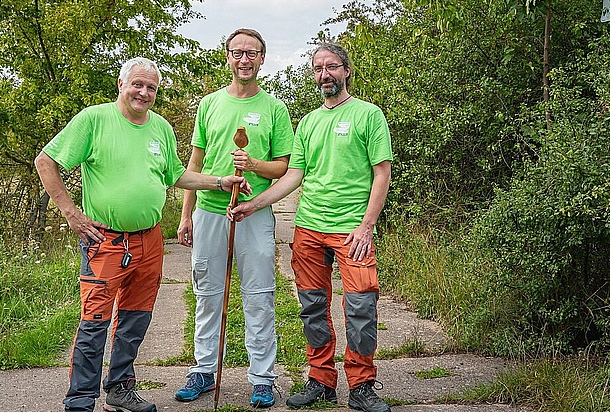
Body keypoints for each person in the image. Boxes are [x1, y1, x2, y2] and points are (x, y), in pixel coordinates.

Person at [34, 57, 250, 412]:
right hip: (104, 240)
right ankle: (80, 401)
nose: (144, 92)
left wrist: (219, 182)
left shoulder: (161, 128)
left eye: (151, 87)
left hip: (149, 241)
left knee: (135, 319)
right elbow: (47, 161)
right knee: (94, 323)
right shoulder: (94, 119)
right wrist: (70, 213)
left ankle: (120, 390)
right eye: (137, 84)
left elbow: (176, 175)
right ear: (121, 84)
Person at [230, 42, 393, 412]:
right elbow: (294, 176)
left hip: (353, 230)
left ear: (346, 70)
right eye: (318, 68)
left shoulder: (369, 115)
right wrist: (251, 205)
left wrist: (367, 226)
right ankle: (321, 379)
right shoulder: (308, 122)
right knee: (312, 307)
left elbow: (381, 173)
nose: (325, 74)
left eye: (332, 67)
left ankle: (363, 385)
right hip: (309, 228)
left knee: (361, 307)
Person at [174, 28, 294, 408]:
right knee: (208, 295)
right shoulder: (209, 104)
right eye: (238, 52)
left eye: (252, 53)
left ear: (262, 59)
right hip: (211, 211)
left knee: (259, 296)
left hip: (253, 213)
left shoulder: (275, 108)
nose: (245, 59)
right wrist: (186, 214)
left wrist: (253, 163)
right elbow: (194, 164)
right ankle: (204, 370)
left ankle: (262, 377)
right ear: (227, 56)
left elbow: (284, 168)